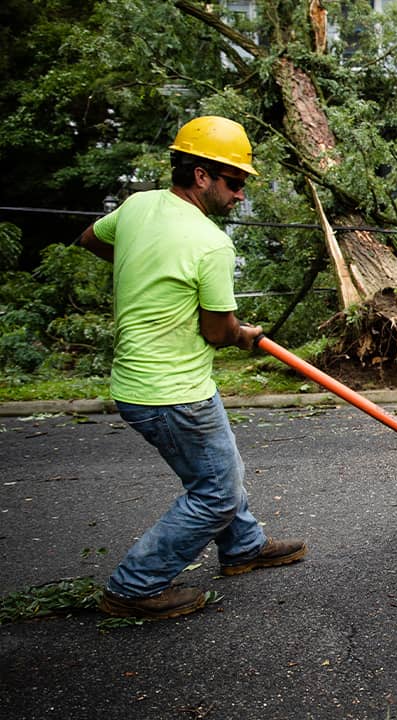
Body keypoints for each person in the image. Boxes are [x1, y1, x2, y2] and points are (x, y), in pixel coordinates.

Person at [78, 116, 307, 620]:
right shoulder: (210, 243)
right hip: (172, 392)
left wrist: (143, 263)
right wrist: (243, 336)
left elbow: (90, 239)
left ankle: (244, 547)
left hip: (146, 381)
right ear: (201, 175)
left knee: (217, 468)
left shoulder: (137, 207)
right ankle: (135, 587)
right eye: (235, 182)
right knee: (216, 491)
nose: (241, 195)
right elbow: (218, 333)